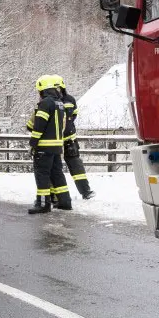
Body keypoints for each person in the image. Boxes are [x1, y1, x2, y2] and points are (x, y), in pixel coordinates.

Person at [28, 75, 72, 214]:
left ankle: (43, 204)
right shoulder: (59, 103)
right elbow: (63, 125)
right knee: (57, 174)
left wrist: (33, 143)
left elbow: (38, 126)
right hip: (57, 146)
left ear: (42, 89)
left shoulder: (45, 103)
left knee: (42, 175)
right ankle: (65, 202)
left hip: (44, 147)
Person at [54, 75, 95, 199]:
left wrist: (68, 127)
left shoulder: (70, 100)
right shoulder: (49, 102)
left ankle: (86, 192)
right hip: (55, 141)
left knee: (77, 167)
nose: (57, 90)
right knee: (55, 168)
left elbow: (73, 116)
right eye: (55, 88)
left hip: (69, 140)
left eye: (59, 88)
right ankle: (55, 195)